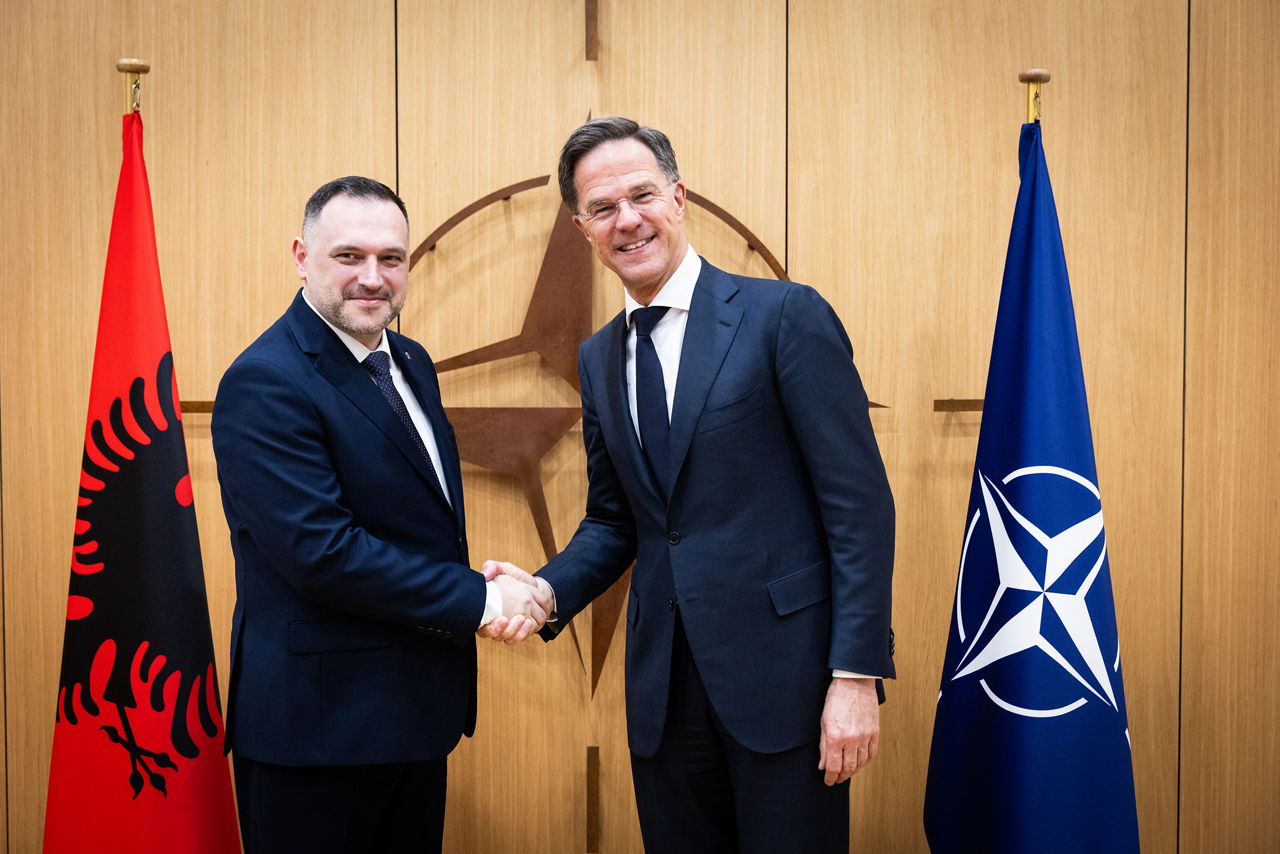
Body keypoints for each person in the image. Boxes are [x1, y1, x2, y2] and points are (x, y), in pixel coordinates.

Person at [484, 118, 896, 852]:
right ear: (583, 229)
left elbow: (858, 508)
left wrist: (856, 675)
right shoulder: (598, 358)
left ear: (678, 198)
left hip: (789, 689)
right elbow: (616, 521)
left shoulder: (783, 316)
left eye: (641, 196)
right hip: (664, 695)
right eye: (602, 208)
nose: (627, 220)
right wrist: (546, 591)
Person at [211, 176, 549, 854]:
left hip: (413, 718)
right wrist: (483, 599)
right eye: (349, 256)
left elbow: (416, 524)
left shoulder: (410, 361)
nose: (373, 278)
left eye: (391, 258)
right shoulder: (266, 379)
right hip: (317, 732)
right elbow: (323, 553)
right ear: (302, 257)